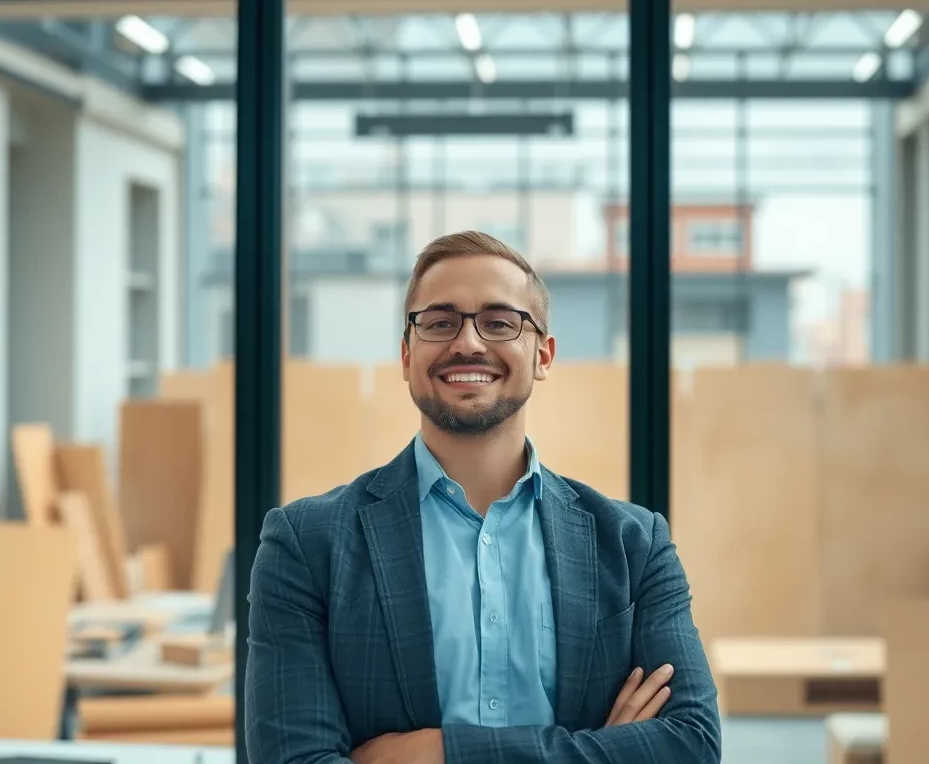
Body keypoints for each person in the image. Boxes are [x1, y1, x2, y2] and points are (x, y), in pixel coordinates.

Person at [245, 231, 721, 763]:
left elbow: (692, 745)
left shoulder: (635, 546)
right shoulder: (307, 545)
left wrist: (439, 752)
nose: (468, 343)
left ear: (543, 354)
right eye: (439, 321)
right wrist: (602, 751)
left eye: (499, 322)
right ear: (407, 354)